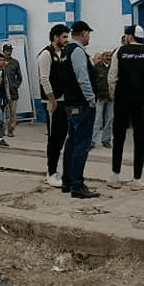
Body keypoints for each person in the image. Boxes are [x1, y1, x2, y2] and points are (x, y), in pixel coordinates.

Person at [107, 25, 144, 190]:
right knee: (140, 140)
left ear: (129, 37)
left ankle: (115, 176)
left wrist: (114, 95)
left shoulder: (120, 52)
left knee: (119, 138)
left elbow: (111, 77)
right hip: (142, 100)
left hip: (122, 100)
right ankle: (137, 179)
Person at [59, 20, 99, 198]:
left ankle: (67, 181)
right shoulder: (77, 51)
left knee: (72, 143)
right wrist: (91, 99)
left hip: (70, 102)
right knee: (81, 145)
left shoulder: (65, 51)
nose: (89, 37)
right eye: (88, 34)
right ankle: (77, 185)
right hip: (81, 104)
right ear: (83, 34)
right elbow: (83, 78)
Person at [37, 24, 70, 187]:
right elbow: (44, 79)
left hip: (63, 101)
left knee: (61, 136)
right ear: (56, 37)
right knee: (54, 138)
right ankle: (50, 172)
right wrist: (52, 99)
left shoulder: (62, 54)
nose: (66, 40)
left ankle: (55, 169)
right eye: (64, 37)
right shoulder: (45, 54)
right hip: (52, 102)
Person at [91, 49, 114, 150]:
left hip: (111, 97)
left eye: (110, 56)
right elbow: (92, 81)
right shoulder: (97, 67)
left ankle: (106, 140)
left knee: (109, 119)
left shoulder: (114, 67)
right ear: (103, 56)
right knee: (97, 119)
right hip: (100, 97)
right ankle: (92, 140)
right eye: (106, 56)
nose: (108, 58)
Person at [1, 44, 23, 137]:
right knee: (1, 113)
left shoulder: (15, 63)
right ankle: (1, 131)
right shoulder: (0, 62)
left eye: (10, 50)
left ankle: (11, 130)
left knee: (13, 113)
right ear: (3, 51)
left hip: (13, 92)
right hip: (2, 92)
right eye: (6, 50)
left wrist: (15, 86)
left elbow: (19, 77)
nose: (8, 52)